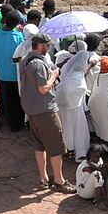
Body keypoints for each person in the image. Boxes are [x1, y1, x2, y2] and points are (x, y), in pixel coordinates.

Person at [19, 33, 67, 191]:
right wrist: (53, 76)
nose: (49, 47)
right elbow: (43, 89)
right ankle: (59, 180)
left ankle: (43, 178)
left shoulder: (25, 60)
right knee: (56, 145)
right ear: (40, 45)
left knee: (40, 146)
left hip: (31, 110)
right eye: (47, 45)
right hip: (45, 110)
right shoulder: (38, 64)